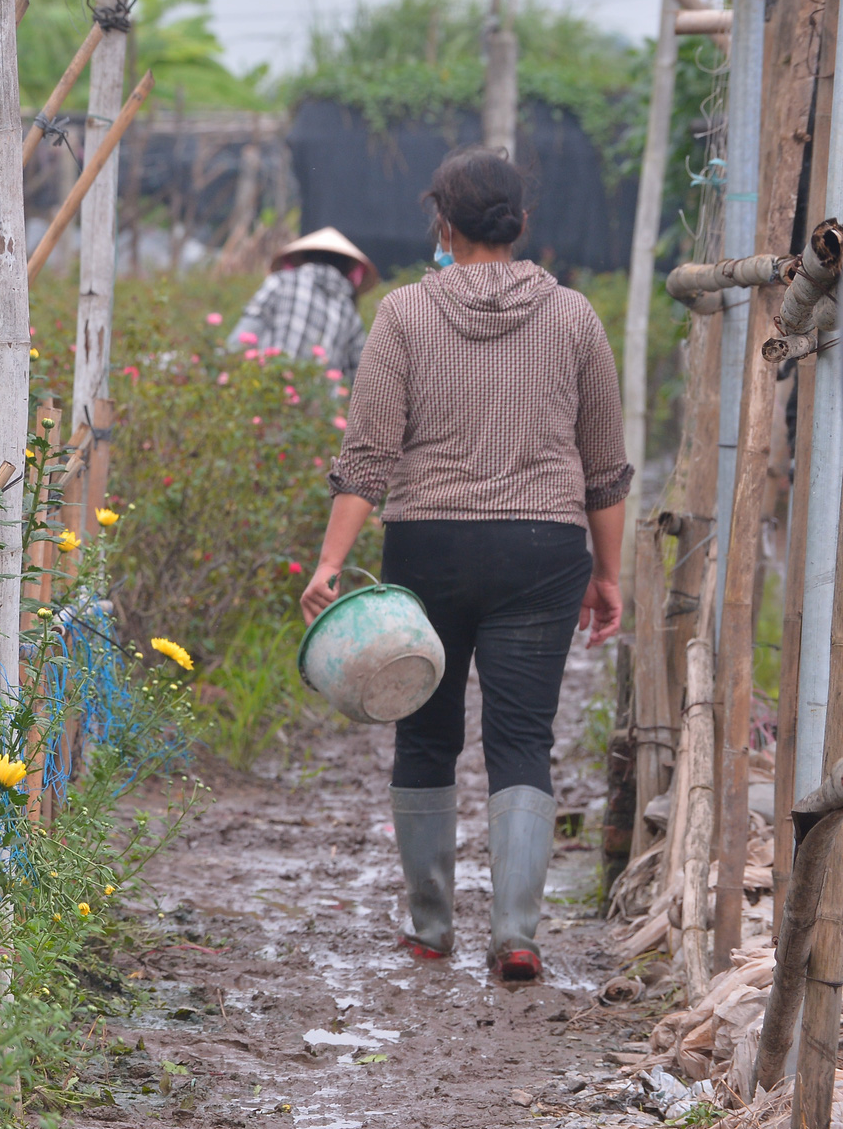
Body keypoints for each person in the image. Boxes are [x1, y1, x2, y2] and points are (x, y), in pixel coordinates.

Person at [297, 149, 628, 982]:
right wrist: (609, 573)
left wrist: (331, 562)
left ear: (442, 223)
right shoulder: (577, 318)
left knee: (426, 728)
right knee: (523, 738)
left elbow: (368, 455)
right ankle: (516, 934)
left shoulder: (404, 315)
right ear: (521, 224)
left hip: (429, 545)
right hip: (544, 548)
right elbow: (606, 467)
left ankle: (431, 927)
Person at [226, 227, 380, 377]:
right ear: (348, 267)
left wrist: (222, 369)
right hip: (317, 400)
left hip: (268, 388)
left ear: (304, 257)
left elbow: (245, 334)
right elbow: (359, 374)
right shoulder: (349, 311)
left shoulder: (280, 282)